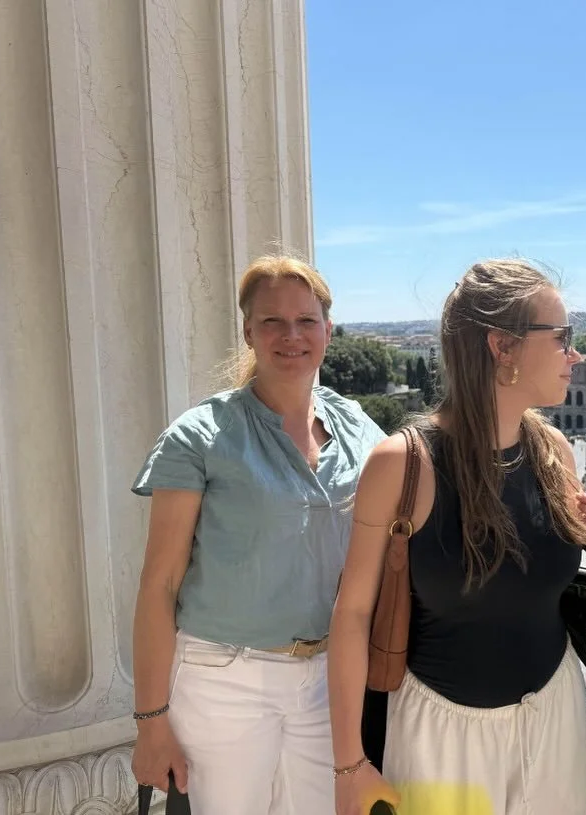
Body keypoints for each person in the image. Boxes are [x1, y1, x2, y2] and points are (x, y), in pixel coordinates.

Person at [328, 259, 586, 815]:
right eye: (562, 338)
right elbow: (352, 615)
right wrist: (349, 765)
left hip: (556, 721)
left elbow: (535, 558)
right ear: (502, 346)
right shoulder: (402, 464)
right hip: (443, 739)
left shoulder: (554, 452)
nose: (576, 355)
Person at [129, 255, 386, 814]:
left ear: (327, 330)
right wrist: (150, 721)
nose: (291, 336)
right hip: (224, 680)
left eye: (306, 320)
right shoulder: (200, 435)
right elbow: (159, 585)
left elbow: (415, 499)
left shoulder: (357, 427)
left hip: (328, 681)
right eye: (273, 321)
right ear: (248, 331)